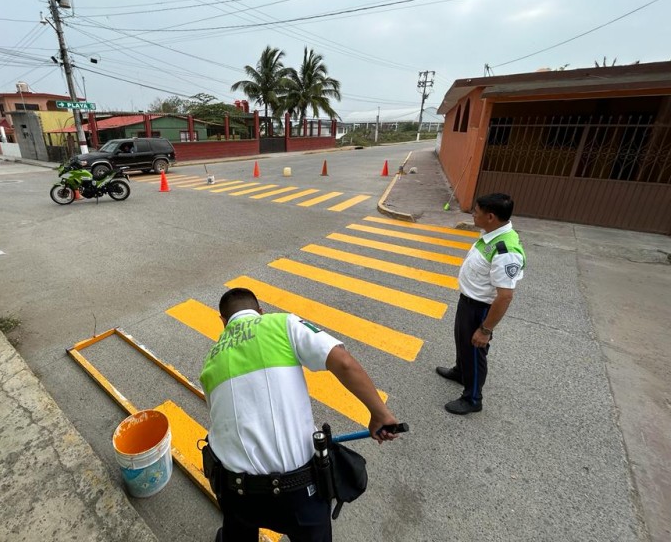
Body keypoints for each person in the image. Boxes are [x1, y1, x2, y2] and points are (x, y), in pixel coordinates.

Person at [200, 287, 399, 542]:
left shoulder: (210, 360)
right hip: (297, 492)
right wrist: (379, 413)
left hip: (235, 492)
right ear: (260, 312)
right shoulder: (280, 324)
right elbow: (343, 362)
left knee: (234, 532)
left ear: (223, 322)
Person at [437, 192, 525, 415]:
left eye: (476, 211)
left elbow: (505, 296)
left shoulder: (506, 250)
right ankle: (460, 372)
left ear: (491, 216)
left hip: (480, 308)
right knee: (463, 343)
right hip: (468, 302)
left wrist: (485, 329)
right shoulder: (491, 234)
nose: (473, 214)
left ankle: (473, 398)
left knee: (476, 351)